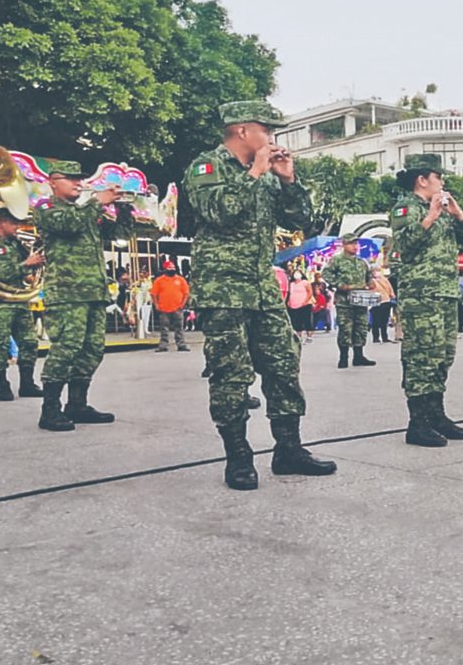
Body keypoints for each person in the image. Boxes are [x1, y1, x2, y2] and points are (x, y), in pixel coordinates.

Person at [181, 99, 336, 490]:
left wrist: (287, 179)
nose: (272, 138)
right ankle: (238, 457)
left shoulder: (268, 173)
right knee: (231, 375)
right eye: (266, 130)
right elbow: (219, 212)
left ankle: (288, 450)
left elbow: (302, 222)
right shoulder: (206, 167)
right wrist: (255, 171)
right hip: (223, 288)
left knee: (284, 367)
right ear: (242, 130)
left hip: (263, 287)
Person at [33, 160, 133, 430]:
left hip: (93, 292)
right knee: (66, 348)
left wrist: (124, 210)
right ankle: (49, 409)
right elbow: (69, 225)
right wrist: (96, 201)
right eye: (70, 178)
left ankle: (77, 404)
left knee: (91, 350)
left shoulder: (85, 212)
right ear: (53, 181)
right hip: (66, 293)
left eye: (80, 178)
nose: (78, 183)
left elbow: (117, 235)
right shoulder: (47, 208)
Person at [390, 153, 463, 447]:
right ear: (422, 179)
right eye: (439, 177)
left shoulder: (444, 209)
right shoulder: (406, 208)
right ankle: (418, 423)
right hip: (421, 294)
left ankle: (437, 415)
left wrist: (458, 214)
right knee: (421, 357)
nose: (443, 182)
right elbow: (402, 245)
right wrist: (429, 218)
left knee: (442, 356)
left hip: (445, 292)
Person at [0, 202, 44, 400]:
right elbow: (4, 273)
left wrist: (33, 264)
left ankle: (27, 384)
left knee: (29, 342)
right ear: (2, 223)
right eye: (13, 223)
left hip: (18, 301)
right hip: (0, 303)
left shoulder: (15, 244)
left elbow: (27, 266)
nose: (17, 227)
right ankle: (1, 384)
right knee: (0, 344)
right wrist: (27, 264)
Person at [323, 234, 376, 368]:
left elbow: (369, 276)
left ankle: (358, 356)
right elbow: (326, 274)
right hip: (344, 300)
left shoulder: (362, 262)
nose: (355, 246)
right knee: (345, 328)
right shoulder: (337, 260)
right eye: (352, 244)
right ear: (344, 245)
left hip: (361, 300)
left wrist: (370, 283)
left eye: (356, 244)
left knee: (361, 327)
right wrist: (339, 284)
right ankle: (343, 357)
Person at [149, 260, 191, 352]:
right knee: (164, 328)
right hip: (164, 308)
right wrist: (156, 304)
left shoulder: (180, 280)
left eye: (173, 269)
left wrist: (182, 305)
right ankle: (163, 345)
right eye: (169, 269)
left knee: (179, 328)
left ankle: (181, 344)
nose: (172, 270)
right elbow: (154, 294)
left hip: (178, 308)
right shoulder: (159, 280)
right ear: (165, 270)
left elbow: (186, 293)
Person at [368, 269, 395, 343]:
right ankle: (378, 337)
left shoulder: (383, 280)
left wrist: (392, 295)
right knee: (377, 321)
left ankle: (382, 337)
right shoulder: (372, 281)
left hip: (383, 301)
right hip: (378, 302)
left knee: (383, 321)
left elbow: (390, 288)